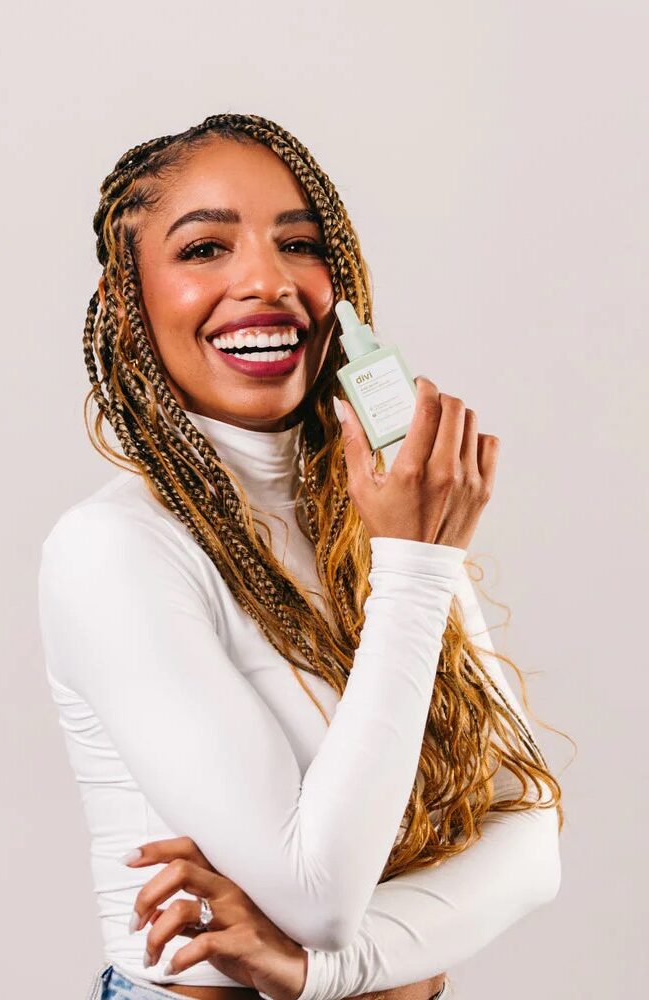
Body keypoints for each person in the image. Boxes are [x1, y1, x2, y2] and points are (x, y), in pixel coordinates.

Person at [37, 113, 564, 1000]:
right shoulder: (114, 549)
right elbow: (314, 892)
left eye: (301, 244)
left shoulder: (386, 515)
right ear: (128, 298)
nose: (266, 281)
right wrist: (414, 563)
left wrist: (321, 971)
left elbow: (531, 844)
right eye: (205, 248)